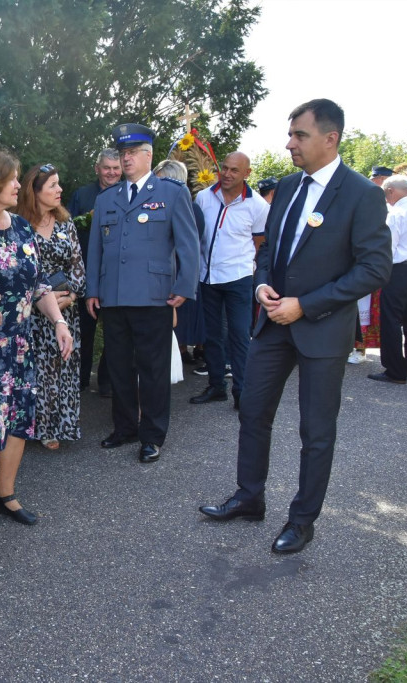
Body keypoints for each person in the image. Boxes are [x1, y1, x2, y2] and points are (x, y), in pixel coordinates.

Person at [200, 99, 392, 554]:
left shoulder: (361, 193)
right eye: (290, 135)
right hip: (273, 324)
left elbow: (374, 268)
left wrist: (305, 305)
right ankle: (249, 497)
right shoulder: (286, 187)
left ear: (331, 138)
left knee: (316, 430)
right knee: (252, 411)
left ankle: (302, 521)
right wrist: (262, 283)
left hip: (322, 329)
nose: (290, 144)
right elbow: (269, 248)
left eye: (299, 135)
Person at [0, 148, 73, 528]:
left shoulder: (23, 227)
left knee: (19, 419)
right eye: (10, 178)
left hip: (20, 345)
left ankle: (5, 494)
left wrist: (59, 321)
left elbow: (38, 284)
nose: (17, 185)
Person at [84, 123, 200, 463]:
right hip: (114, 296)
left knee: (152, 370)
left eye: (133, 153)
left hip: (154, 296)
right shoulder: (107, 198)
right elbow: (96, 249)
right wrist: (93, 290)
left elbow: (188, 244)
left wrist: (184, 286)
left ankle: (152, 435)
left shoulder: (172, 193)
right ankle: (124, 427)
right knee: (119, 367)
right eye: (123, 153)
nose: (126, 159)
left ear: (149, 156)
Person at [189, 152, 269, 411]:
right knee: (211, 335)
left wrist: (249, 267)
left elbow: (259, 243)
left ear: (247, 173)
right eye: (224, 168)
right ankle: (216, 386)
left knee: (239, 335)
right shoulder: (204, 197)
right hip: (207, 277)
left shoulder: (258, 205)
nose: (227, 174)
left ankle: (242, 392)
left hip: (238, 277)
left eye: (234, 170)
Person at [17, 163, 86, 450]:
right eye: (53, 185)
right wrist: (38, 299)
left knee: (63, 368)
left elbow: (78, 266)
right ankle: (37, 427)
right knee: (37, 372)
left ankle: (60, 424)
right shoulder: (19, 225)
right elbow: (17, 270)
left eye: (59, 184)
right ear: (34, 191)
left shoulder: (65, 224)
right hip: (32, 315)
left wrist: (71, 297)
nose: (60, 190)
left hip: (66, 310)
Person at [68, 149, 121, 396]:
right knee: (83, 330)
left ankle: (107, 381)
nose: (111, 173)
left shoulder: (128, 194)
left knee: (115, 331)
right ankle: (80, 379)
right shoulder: (82, 195)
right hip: (85, 272)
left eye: (116, 168)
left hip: (115, 275)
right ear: (97, 168)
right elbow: (67, 228)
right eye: (107, 167)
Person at [368, 174, 407, 384]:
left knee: (391, 320)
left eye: (386, 195)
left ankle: (395, 371)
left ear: (391, 191)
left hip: (400, 270)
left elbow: (388, 249)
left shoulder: (396, 213)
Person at [153, 159, 206, 367]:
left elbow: (189, 245)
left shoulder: (192, 209)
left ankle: (180, 353)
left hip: (179, 273)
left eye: (160, 180)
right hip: (162, 273)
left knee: (178, 321)